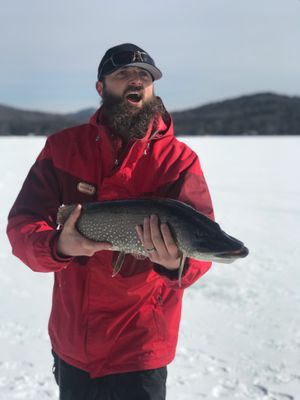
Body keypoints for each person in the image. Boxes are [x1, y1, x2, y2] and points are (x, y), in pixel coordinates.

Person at [7, 43, 214, 400]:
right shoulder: (63, 148)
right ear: (101, 88)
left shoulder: (179, 162)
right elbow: (22, 225)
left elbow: (203, 242)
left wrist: (176, 262)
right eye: (124, 74)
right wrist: (57, 245)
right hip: (75, 345)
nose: (137, 81)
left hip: (141, 348)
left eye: (145, 77)